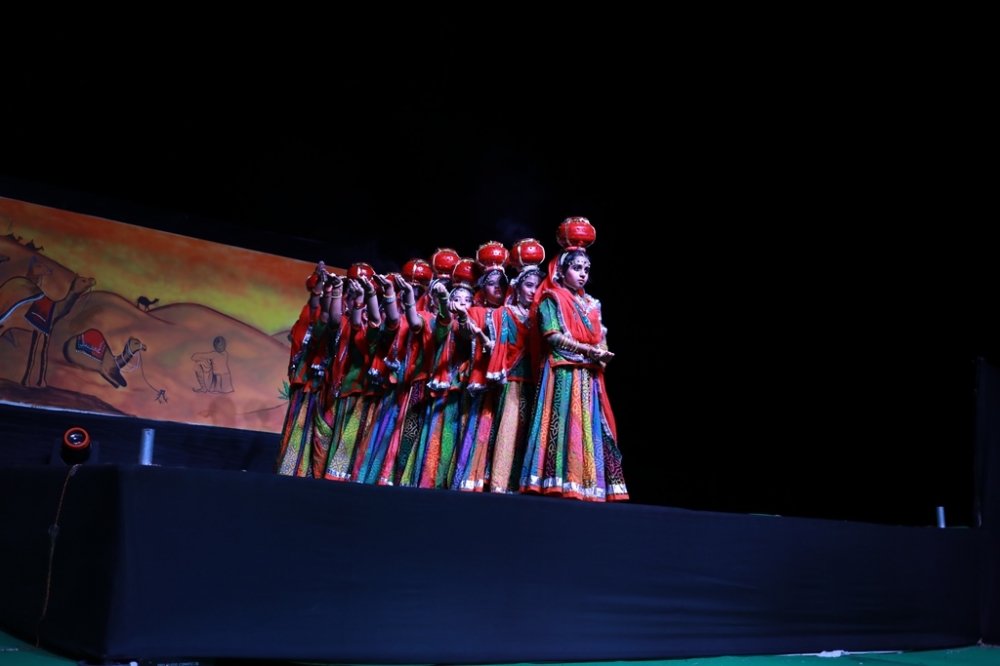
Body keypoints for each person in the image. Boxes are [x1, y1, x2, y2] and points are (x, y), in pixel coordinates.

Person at [520, 217, 628, 501]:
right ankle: (556, 479)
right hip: (562, 372)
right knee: (562, 421)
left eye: (586, 270)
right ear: (561, 270)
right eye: (576, 268)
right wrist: (589, 351)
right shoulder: (551, 298)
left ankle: (586, 483)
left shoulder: (591, 303)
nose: (582, 274)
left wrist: (601, 352)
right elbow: (552, 336)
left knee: (587, 425)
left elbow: (599, 334)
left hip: (588, 374)